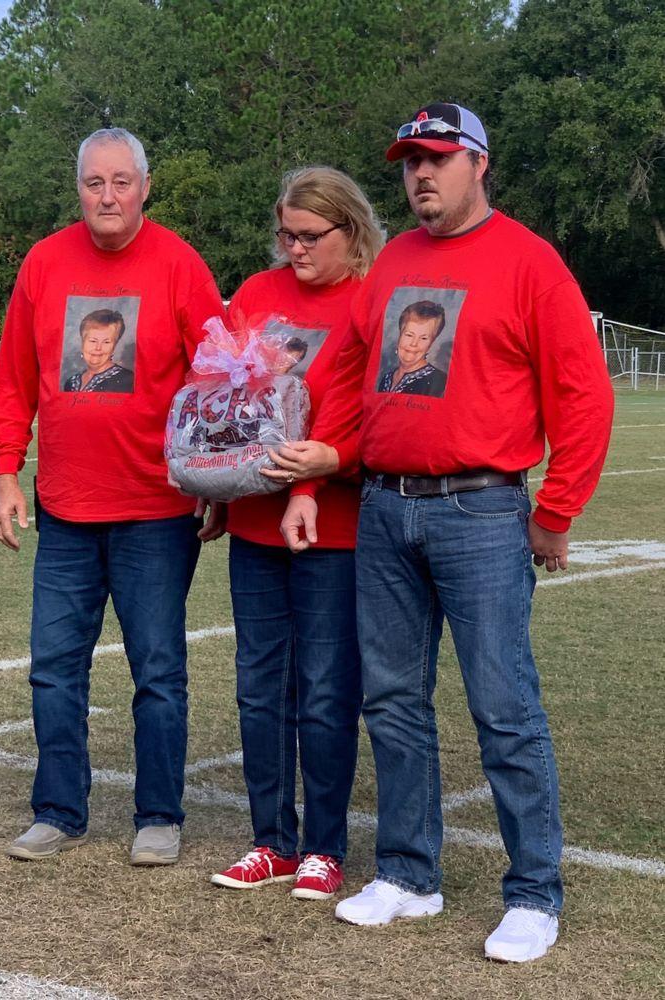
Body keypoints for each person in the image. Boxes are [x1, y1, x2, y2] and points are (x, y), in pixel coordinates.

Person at [280, 104, 613, 959]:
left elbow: (583, 393)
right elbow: (353, 381)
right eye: (408, 162)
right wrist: (320, 469)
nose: (419, 175)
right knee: (392, 701)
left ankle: (535, 892)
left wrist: (557, 510)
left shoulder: (530, 261)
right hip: (385, 508)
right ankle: (407, 873)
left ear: (478, 164)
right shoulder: (392, 260)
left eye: (436, 159)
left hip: (482, 510)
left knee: (504, 706)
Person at [0, 127, 225, 865]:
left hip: (155, 511)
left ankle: (159, 814)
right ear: (78, 188)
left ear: (145, 187)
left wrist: (217, 478)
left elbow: (218, 380)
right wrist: (5, 471)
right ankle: (58, 809)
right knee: (55, 666)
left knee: (157, 670)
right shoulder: (45, 261)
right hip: (64, 509)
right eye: (95, 183)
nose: (108, 196)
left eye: (122, 182)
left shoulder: (181, 264)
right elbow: (15, 375)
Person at [210, 166, 384, 900]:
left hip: (334, 532)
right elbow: (224, 399)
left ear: (351, 230)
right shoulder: (256, 294)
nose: (295, 249)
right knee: (259, 687)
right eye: (286, 234)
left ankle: (324, 848)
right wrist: (215, 482)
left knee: (323, 691)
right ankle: (271, 840)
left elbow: (360, 415)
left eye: (311, 237)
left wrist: (311, 484)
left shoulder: (373, 301)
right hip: (254, 524)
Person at [378, 300, 447, 396]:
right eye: (409, 335)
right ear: (400, 335)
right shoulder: (386, 378)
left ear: (431, 343)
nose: (414, 343)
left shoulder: (440, 381)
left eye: (423, 338)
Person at [63, 308, 134, 392]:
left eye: (106, 342)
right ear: (82, 343)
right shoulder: (70, 383)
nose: (98, 348)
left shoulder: (128, 381)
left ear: (114, 347)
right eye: (93, 341)